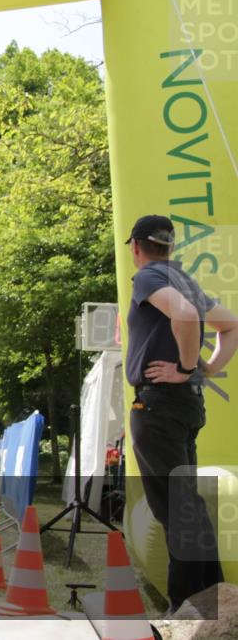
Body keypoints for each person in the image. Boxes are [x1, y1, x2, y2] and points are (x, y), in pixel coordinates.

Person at [124, 214, 237, 613]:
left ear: (136, 246)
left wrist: (187, 367)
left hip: (159, 404)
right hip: (186, 405)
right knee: (188, 503)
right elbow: (231, 325)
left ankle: (184, 608)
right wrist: (205, 368)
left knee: (175, 508)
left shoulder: (149, 278)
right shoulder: (185, 279)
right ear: (170, 245)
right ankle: (216, 599)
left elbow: (185, 316)